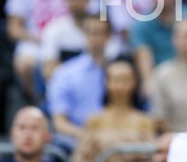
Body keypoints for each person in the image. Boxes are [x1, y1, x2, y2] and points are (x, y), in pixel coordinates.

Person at [46, 15, 115, 152]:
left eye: (101, 33)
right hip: (77, 138)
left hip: (114, 135)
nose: (96, 39)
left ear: (109, 36)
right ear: (84, 35)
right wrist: (84, 135)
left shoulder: (120, 70)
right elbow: (59, 122)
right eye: (91, 33)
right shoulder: (65, 73)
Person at [71, 57, 155, 162]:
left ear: (134, 83)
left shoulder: (144, 121)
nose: (119, 86)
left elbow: (153, 156)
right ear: (106, 82)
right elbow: (80, 157)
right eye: (114, 80)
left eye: (124, 80)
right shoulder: (94, 120)